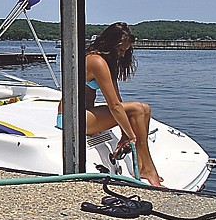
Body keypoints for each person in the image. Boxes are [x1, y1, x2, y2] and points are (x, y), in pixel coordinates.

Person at [57, 22, 165, 187]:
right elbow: (114, 106)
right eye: (121, 49)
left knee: (145, 109)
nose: (122, 55)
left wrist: (124, 132)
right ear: (110, 43)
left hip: (85, 114)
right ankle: (148, 170)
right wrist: (131, 136)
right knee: (137, 109)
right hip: (71, 119)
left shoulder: (106, 61)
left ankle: (145, 167)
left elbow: (118, 102)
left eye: (126, 51)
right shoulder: (95, 61)